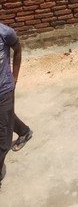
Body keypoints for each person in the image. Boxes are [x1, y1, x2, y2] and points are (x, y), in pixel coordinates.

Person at [1, 23, 33, 189]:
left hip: (4, 89)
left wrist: (14, 77)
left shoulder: (5, 33)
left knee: (3, 139)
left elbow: (18, 50)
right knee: (5, 116)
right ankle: (24, 131)